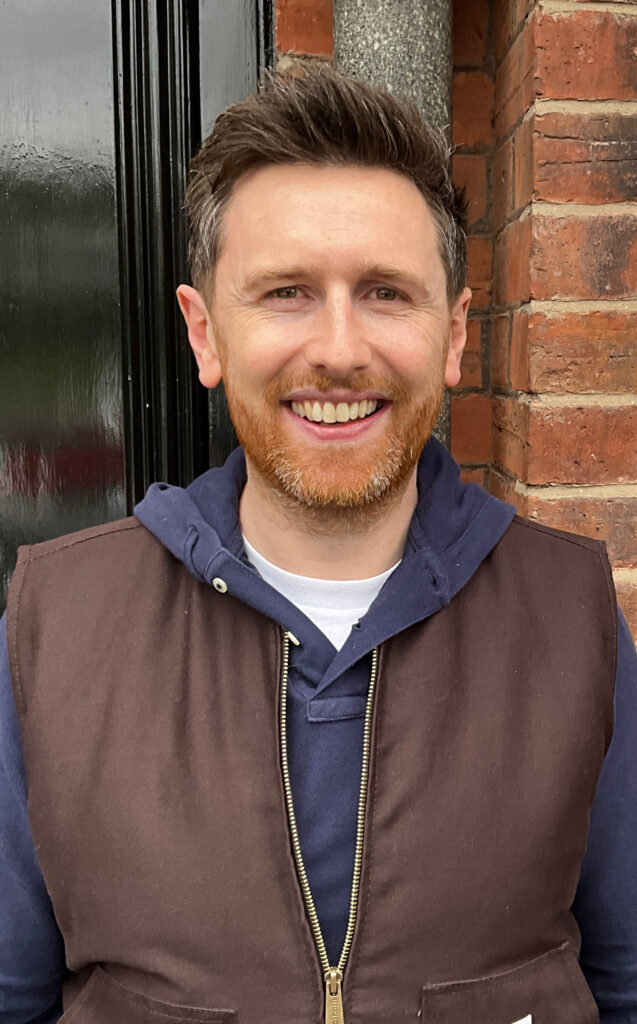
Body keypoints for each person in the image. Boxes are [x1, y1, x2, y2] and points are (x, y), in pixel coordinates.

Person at [1, 68, 636, 1024]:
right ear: (205, 333)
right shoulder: (54, 629)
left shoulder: (572, 617)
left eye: (385, 292)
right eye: (286, 292)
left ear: (453, 335)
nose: (339, 349)